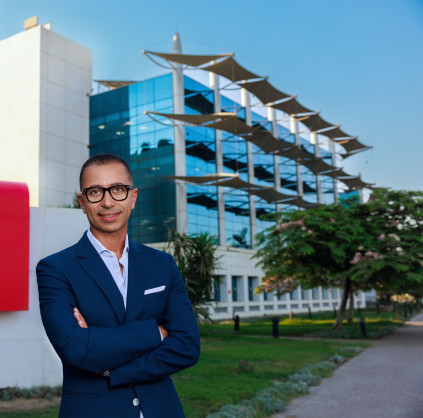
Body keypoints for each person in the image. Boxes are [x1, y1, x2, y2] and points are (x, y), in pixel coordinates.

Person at [36, 153, 200, 418]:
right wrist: (156, 333)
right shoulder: (55, 269)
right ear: (82, 202)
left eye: (118, 189)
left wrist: (113, 369)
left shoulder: (162, 264)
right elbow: (76, 348)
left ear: (133, 197)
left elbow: (187, 346)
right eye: (95, 192)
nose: (108, 202)